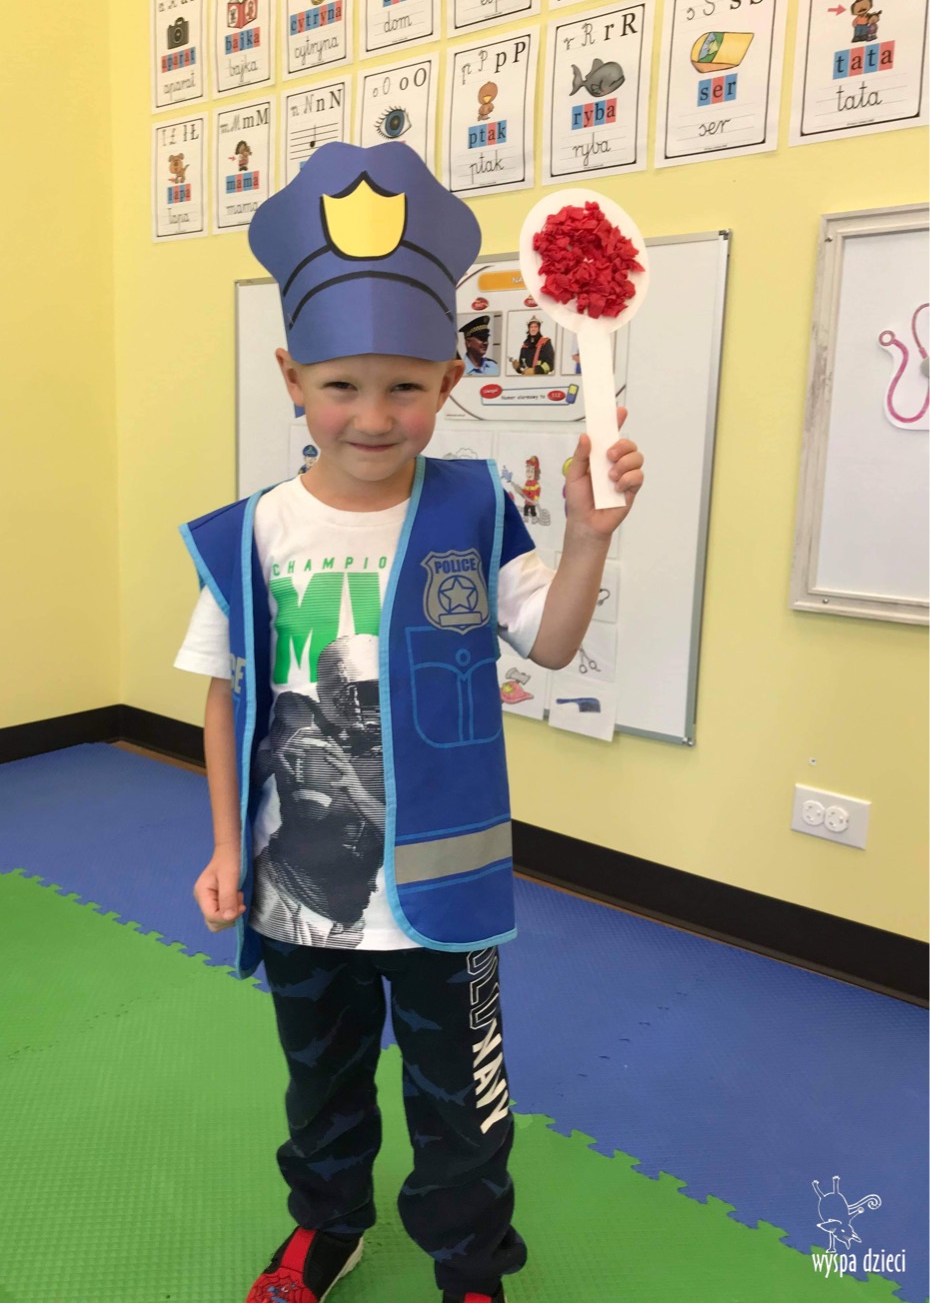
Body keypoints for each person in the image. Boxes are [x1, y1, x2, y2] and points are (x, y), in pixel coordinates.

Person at [174, 141, 645, 1304]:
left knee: (461, 1104)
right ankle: (326, 1228)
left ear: (449, 378)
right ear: (292, 378)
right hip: (298, 884)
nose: (372, 416)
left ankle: (469, 1266)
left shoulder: (473, 511)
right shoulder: (250, 532)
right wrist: (227, 847)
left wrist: (586, 539)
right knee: (320, 1085)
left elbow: (548, 643)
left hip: (445, 894)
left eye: (403, 387)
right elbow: (224, 692)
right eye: (341, 386)